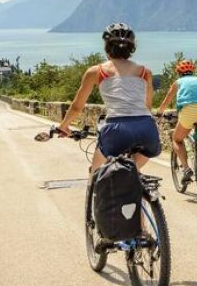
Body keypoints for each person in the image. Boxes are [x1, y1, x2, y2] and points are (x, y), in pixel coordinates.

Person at [56, 22, 161, 174]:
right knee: (133, 169)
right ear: (131, 48)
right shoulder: (145, 72)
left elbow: (77, 106)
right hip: (146, 128)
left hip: (117, 128)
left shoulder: (96, 71)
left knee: (96, 173)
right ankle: (133, 175)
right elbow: (148, 106)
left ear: (107, 47)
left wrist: (63, 126)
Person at [156, 59, 197, 184]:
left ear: (179, 72)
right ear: (192, 71)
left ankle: (187, 169)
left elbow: (167, 99)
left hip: (188, 112)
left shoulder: (178, 82)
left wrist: (159, 112)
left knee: (177, 139)